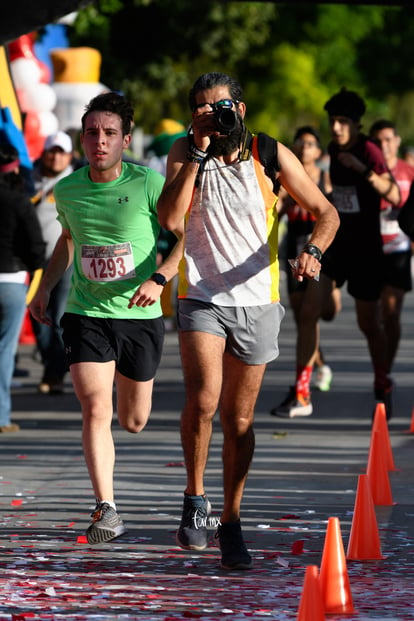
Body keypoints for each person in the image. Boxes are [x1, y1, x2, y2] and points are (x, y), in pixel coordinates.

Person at [156, 72, 339, 570]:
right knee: (204, 398)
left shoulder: (270, 153)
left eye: (220, 107)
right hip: (202, 299)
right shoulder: (182, 151)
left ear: (240, 106)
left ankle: (231, 521)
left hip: (258, 301)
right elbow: (171, 220)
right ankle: (196, 500)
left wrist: (315, 251)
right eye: (201, 108)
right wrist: (196, 152)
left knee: (239, 421)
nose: (212, 115)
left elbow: (327, 212)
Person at [29, 92, 184, 544]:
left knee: (134, 419)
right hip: (86, 311)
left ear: (126, 140)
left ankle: (125, 393)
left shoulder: (148, 184)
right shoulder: (69, 188)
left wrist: (159, 278)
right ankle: (107, 508)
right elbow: (68, 241)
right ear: (82, 140)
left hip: (139, 314)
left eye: (109, 134)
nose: (100, 141)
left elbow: (186, 237)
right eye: (92, 133)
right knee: (96, 407)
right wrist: (45, 288)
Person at [273, 88, 400, 421]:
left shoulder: (369, 150)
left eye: (344, 122)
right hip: (336, 247)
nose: (337, 128)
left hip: (367, 252)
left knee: (368, 323)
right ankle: (302, 392)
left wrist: (363, 170)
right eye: (333, 122)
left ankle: (381, 380)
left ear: (357, 125)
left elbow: (395, 193)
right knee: (307, 312)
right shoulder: (331, 147)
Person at [276, 126, 341, 415]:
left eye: (311, 143)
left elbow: (334, 214)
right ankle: (311, 378)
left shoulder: (326, 177)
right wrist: (282, 201)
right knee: (305, 316)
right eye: (300, 142)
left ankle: (304, 388)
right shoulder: (284, 178)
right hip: (293, 251)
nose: (304, 147)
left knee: (321, 313)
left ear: (318, 151)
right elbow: (272, 211)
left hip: (320, 251)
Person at [0, 143, 45, 432]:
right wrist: (34, 264)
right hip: (11, 283)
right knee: (5, 351)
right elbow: (36, 246)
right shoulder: (18, 201)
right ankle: (1, 417)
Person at [369, 120, 414, 377]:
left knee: (391, 312)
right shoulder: (368, 171)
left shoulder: (410, 172)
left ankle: (385, 368)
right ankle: (381, 363)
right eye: (377, 141)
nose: (383, 145)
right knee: (372, 317)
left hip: (399, 248)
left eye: (388, 139)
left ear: (397, 141)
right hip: (371, 249)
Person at [31, 131, 75, 394]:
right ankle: (52, 364)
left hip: (66, 261)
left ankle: (55, 372)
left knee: (58, 317)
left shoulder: (75, 182)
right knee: (38, 316)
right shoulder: (29, 180)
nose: (56, 156)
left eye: (61, 151)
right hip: (35, 264)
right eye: (52, 151)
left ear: (69, 155)